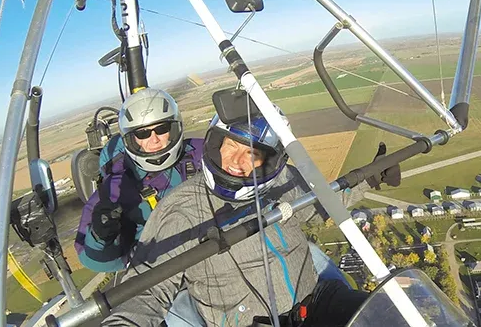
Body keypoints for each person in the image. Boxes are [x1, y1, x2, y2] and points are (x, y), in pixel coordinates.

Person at [102, 106, 339, 326]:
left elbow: (322, 207)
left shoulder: (283, 180)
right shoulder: (181, 207)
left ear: (267, 162)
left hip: (316, 303)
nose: (237, 161)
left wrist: (369, 176)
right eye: (231, 146)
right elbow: (147, 289)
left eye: (251, 153)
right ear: (216, 145)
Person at [75, 88, 204, 273]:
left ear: (175, 127)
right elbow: (92, 260)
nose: (155, 140)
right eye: (143, 134)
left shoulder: (200, 153)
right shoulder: (115, 188)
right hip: (164, 270)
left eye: (162, 129)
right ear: (132, 139)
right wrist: (100, 236)